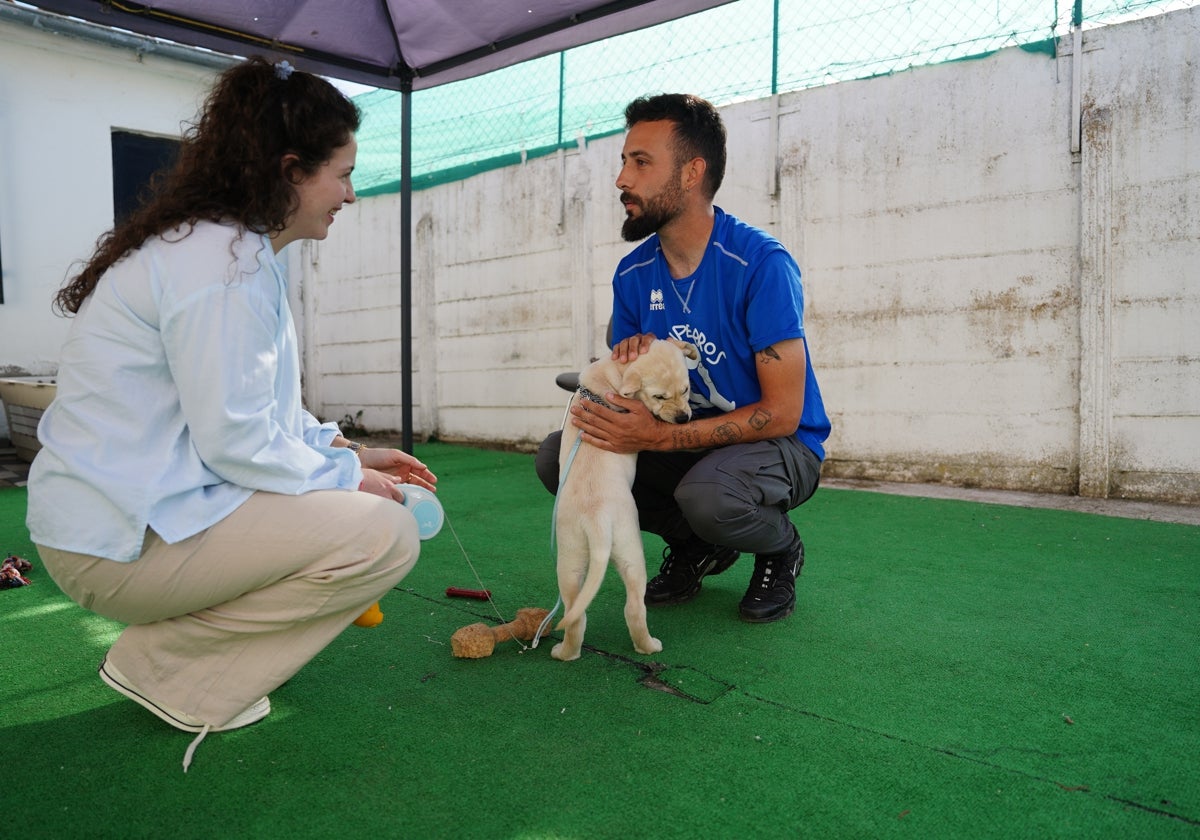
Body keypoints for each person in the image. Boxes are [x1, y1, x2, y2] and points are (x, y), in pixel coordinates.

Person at [26, 57, 436, 769]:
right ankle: (170, 671)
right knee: (385, 534)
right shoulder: (223, 264)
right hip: (117, 546)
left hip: (120, 527)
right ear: (289, 170)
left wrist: (346, 452)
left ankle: (174, 664)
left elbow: (255, 408)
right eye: (340, 173)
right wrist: (346, 480)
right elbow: (237, 440)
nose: (350, 193)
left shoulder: (229, 252)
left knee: (367, 511)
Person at [536, 93, 829, 624]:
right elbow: (628, 387)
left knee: (709, 493)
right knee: (563, 454)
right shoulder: (632, 274)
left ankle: (778, 547)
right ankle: (698, 546)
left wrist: (659, 437)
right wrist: (613, 388)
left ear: (693, 172)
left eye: (640, 162)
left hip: (780, 445)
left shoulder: (760, 263)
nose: (621, 179)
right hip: (686, 442)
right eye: (624, 162)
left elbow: (783, 412)